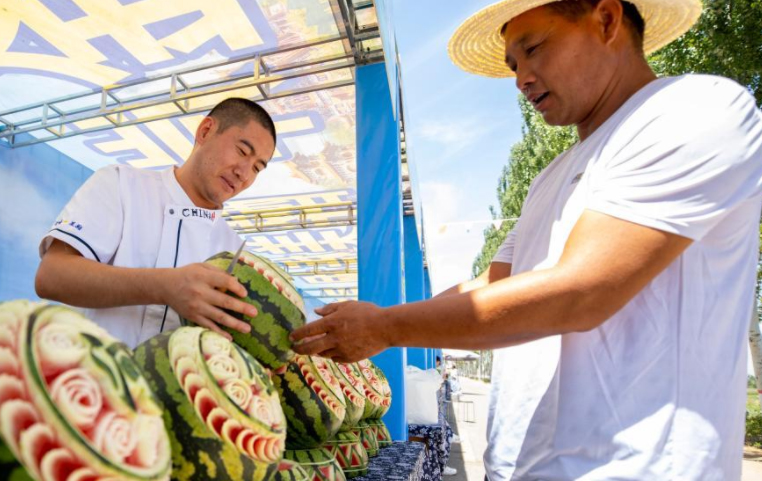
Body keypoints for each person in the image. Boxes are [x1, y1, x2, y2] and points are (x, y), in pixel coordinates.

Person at [290, 0, 762, 478]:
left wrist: (386, 328)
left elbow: (582, 291)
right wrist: (361, 324)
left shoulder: (691, 109)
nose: (521, 79)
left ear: (606, 20)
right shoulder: (550, 178)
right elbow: (489, 286)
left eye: (534, 49)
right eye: (513, 65)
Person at [35, 97, 276, 348]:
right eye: (242, 151)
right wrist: (166, 286)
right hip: (91, 380)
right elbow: (51, 276)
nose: (244, 173)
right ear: (205, 131)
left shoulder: (235, 251)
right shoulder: (121, 184)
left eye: (257, 168)